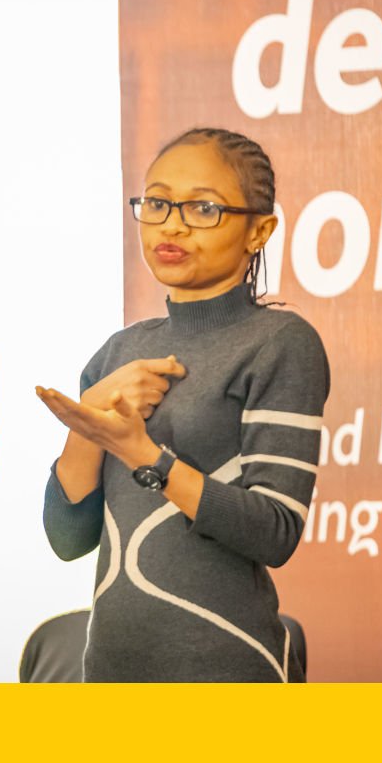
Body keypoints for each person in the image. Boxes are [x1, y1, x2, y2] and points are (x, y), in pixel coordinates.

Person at [37, 128, 329, 682]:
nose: (171, 225)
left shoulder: (280, 343)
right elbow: (67, 540)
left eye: (203, 208)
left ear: (259, 231)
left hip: (227, 674)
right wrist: (86, 423)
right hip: (110, 675)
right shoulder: (117, 353)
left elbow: (275, 530)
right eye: (157, 203)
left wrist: (145, 456)